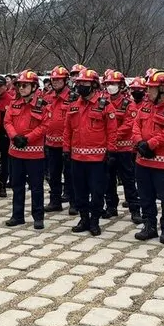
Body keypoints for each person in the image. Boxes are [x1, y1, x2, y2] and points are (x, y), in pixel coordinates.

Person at [63, 68, 117, 236]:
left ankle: (94, 221)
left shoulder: (105, 106)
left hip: (97, 159)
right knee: (79, 191)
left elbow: (112, 131)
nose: (80, 86)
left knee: (97, 191)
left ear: (94, 85)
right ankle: (83, 218)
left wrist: (111, 152)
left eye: (84, 84)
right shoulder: (73, 106)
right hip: (77, 158)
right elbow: (67, 130)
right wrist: (66, 150)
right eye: (78, 83)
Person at [132, 71, 164, 244]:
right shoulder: (145, 106)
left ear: (163, 89)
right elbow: (136, 125)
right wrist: (140, 143)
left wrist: (150, 144)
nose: (147, 92)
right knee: (145, 197)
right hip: (143, 161)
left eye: (151, 89)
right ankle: (149, 226)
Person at [4, 70, 48, 229]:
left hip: (35, 154)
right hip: (15, 152)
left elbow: (45, 126)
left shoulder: (42, 105)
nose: (21, 88)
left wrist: (28, 138)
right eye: (19, 86)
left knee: (36, 186)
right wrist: (14, 136)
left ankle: (38, 217)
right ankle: (17, 215)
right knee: (17, 185)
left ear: (34, 87)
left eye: (25, 85)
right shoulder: (14, 103)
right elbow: (7, 122)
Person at [102, 70, 141, 223]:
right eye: (108, 84)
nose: (111, 87)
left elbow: (129, 125)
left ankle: (135, 210)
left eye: (114, 84)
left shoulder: (128, 104)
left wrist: (111, 135)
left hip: (124, 150)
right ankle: (111, 207)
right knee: (108, 180)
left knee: (128, 180)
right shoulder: (102, 102)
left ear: (121, 85)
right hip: (108, 149)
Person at [43, 66, 72, 214]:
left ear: (66, 81)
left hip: (68, 144)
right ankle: (55, 201)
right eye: (53, 80)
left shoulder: (73, 97)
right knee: (53, 175)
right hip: (51, 143)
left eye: (58, 80)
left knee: (71, 174)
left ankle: (74, 203)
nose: (55, 82)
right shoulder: (48, 97)